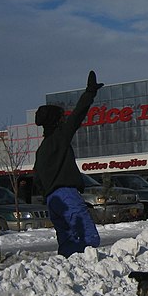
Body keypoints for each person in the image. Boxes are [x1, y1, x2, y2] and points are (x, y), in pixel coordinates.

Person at [34, 70, 103, 258]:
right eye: (62, 117)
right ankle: (91, 273)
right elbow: (78, 115)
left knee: (67, 242)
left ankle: (70, 272)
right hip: (67, 196)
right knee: (88, 240)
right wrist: (90, 92)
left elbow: (36, 178)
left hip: (52, 201)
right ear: (57, 121)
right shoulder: (60, 137)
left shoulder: (41, 150)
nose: (65, 119)